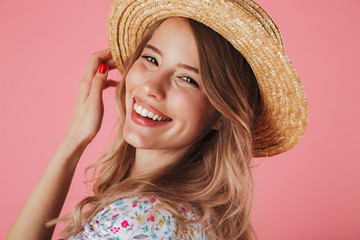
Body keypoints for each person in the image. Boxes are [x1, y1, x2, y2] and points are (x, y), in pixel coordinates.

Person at [6, 0, 308, 239]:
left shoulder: (144, 218)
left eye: (188, 79)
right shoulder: (186, 215)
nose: (151, 87)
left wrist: (72, 143)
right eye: (151, 59)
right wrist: (75, 138)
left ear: (221, 115)